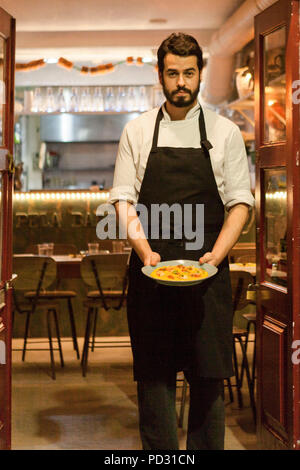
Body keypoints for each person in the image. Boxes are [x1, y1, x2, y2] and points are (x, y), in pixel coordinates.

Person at [108, 32, 254, 450]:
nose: (181, 82)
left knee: (208, 383)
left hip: (207, 277)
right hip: (151, 276)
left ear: (200, 75)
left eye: (189, 73)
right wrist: (146, 253)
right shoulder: (136, 131)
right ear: (160, 76)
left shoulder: (224, 133)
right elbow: (122, 202)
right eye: (172, 73)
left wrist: (215, 257)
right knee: (154, 383)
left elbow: (240, 204)